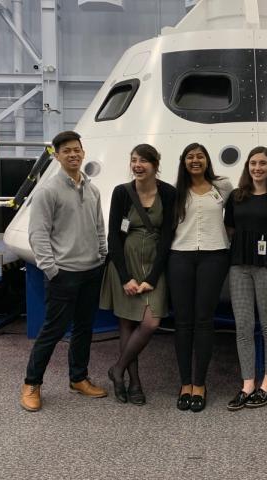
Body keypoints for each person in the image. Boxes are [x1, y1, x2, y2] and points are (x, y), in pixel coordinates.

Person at [20, 130, 108, 412]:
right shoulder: (48, 191)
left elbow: (99, 227)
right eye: (67, 150)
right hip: (63, 274)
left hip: (91, 270)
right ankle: (32, 383)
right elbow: (38, 234)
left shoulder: (92, 189)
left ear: (83, 153)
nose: (73, 154)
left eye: (77, 150)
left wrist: (102, 255)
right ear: (57, 156)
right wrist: (51, 269)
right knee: (53, 331)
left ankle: (78, 378)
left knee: (84, 328)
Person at [100, 144, 176, 405]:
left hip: (154, 264)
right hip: (126, 263)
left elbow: (167, 236)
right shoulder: (122, 192)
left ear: (155, 164)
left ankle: (117, 369)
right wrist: (124, 277)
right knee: (127, 323)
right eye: (133, 160)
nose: (137, 165)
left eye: (143, 161)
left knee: (150, 322)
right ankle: (134, 383)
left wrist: (152, 278)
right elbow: (114, 236)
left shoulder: (168, 192)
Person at [224, 146, 267, 411]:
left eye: (263, 163)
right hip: (239, 265)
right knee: (242, 326)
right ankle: (248, 384)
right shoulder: (237, 196)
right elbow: (229, 227)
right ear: (247, 167)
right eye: (253, 163)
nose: (257, 168)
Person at [168, 143, 233, 412]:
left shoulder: (223, 186)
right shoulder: (174, 192)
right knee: (183, 322)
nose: (195, 161)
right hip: (180, 256)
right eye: (190, 157)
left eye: (200, 156)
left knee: (204, 320)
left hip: (214, 256)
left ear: (207, 160)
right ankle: (185, 383)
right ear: (183, 162)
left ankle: (200, 383)